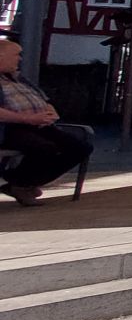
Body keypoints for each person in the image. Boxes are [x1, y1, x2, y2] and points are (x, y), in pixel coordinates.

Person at [0, 38, 92, 207]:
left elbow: (42, 97)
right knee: (43, 148)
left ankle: (21, 183)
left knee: (80, 147)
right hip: (9, 127)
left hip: (39, 124)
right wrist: (28, 119)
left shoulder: (18, 78)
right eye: (16, 55)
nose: (19, 59)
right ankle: (22, 184)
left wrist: (49, 110)